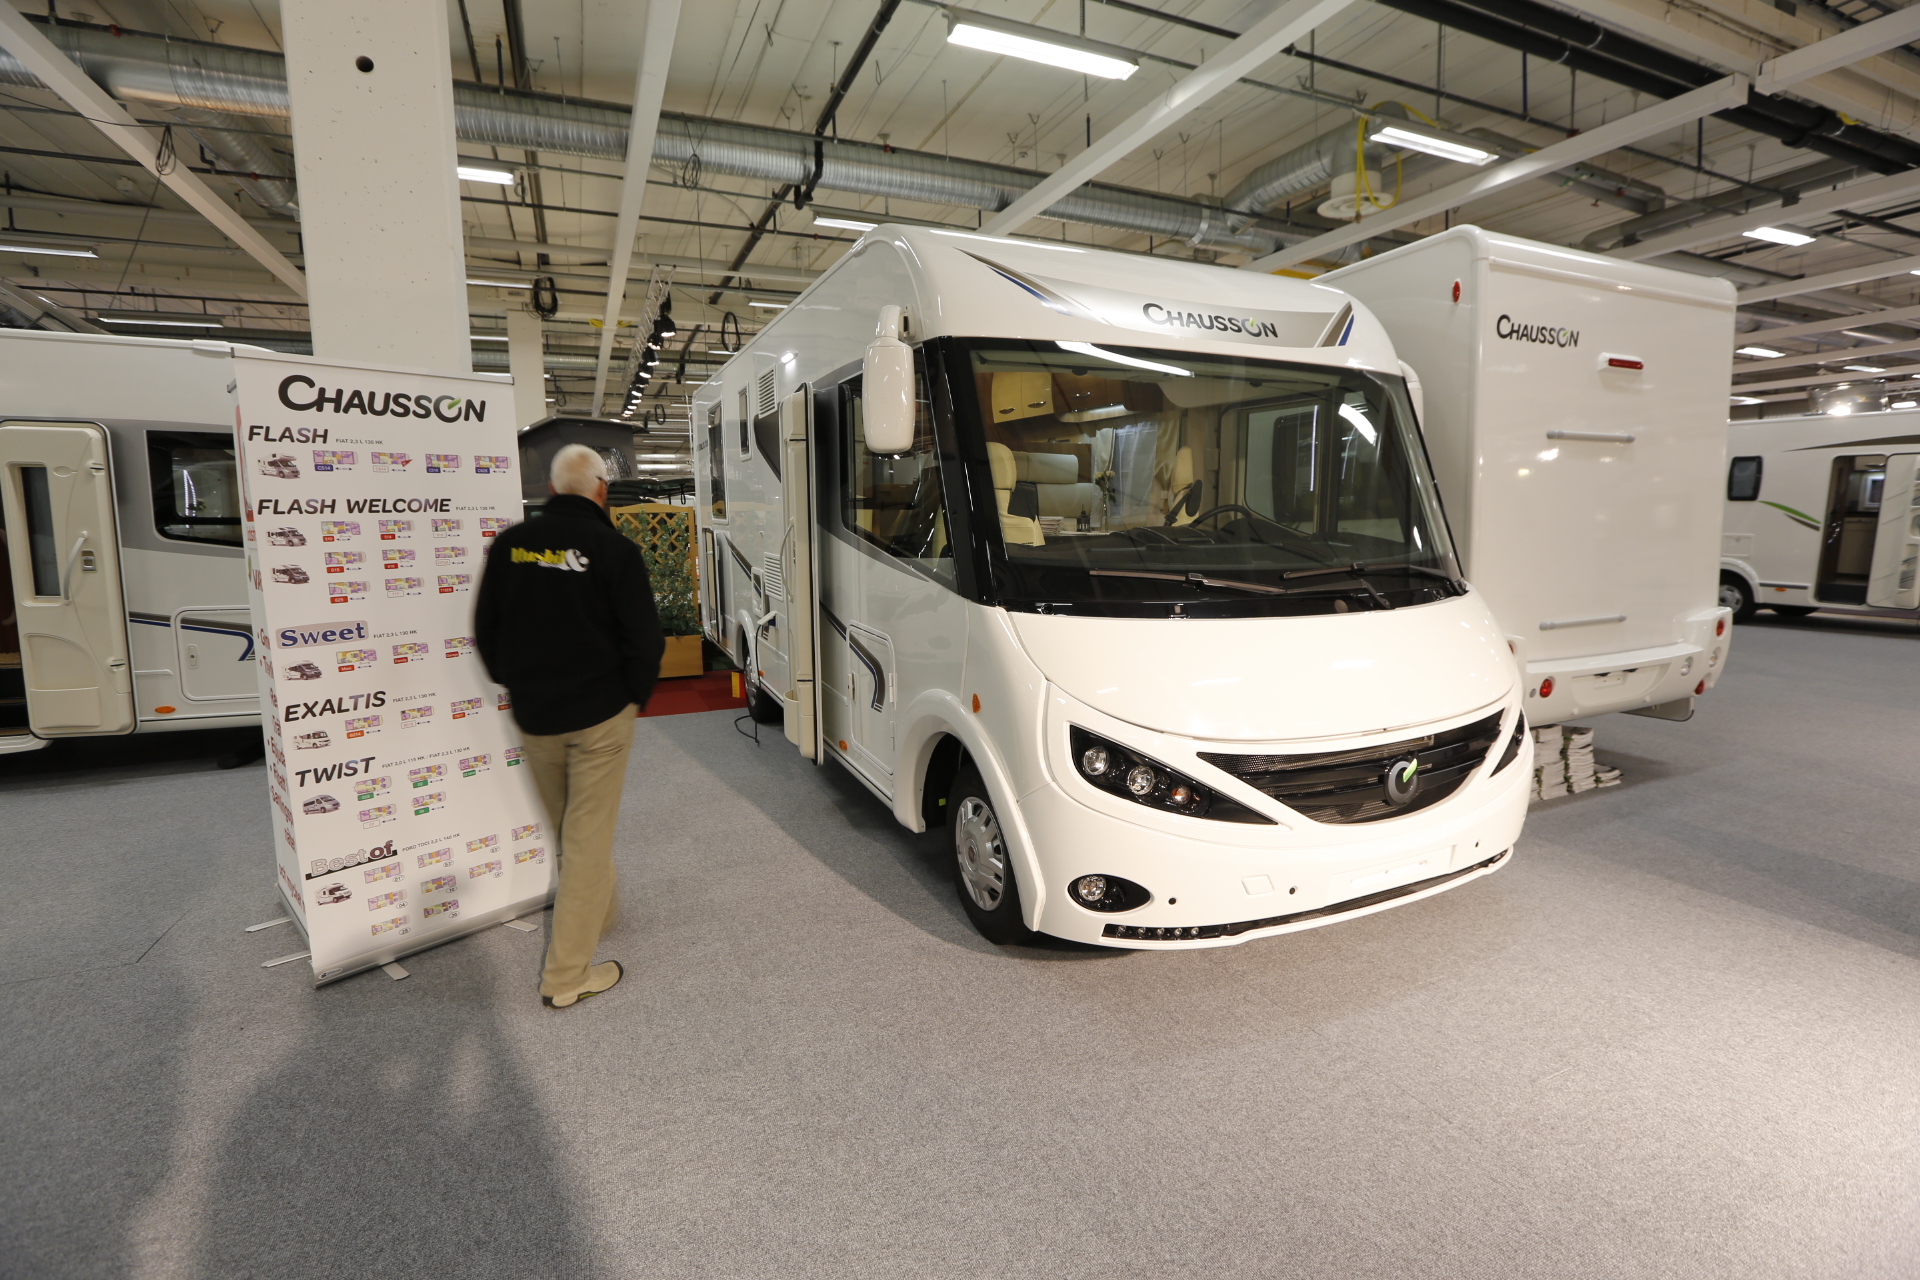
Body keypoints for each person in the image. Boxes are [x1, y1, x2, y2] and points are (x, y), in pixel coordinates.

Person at [475, 444, 665, 1009]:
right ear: (601, 491)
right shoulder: (615, 549)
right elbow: (644, 638)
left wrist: (518, 682)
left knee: (570, 831)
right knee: (586, 840)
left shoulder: (510, 546)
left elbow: (487, 630)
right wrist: (633, 698)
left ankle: (595, 913)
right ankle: (566, 977)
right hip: (601, 716)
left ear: (553, 489)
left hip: (536, 717)